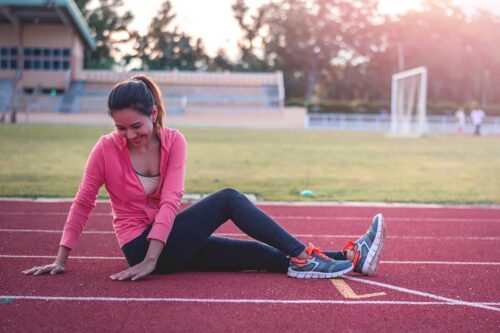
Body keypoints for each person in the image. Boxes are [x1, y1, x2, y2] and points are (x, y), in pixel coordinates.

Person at [22, 75, 386, 281]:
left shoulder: (174, 141)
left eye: (136, 126)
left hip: (169, 242)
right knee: (228, 198)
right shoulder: (105, 149)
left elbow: (170, 203)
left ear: (153, 113)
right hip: (139, 247)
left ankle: (352, 257)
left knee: (262, 255)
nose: (129, 135)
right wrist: (61, 258)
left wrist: (157, 258)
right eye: (120, 128)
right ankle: (306, 257)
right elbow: (83, 201)